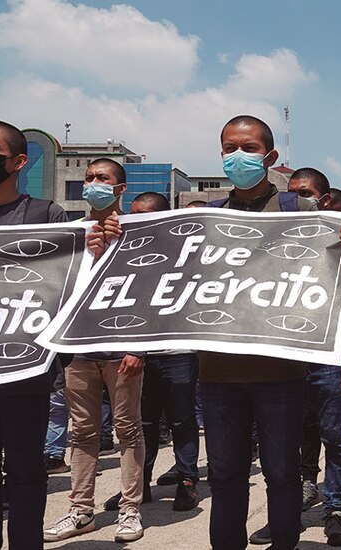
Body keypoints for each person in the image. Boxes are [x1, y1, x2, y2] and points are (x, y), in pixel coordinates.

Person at [93, 115, 319, 549]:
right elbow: (156, 270)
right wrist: (115, 240)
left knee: (283, 475)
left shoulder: (300, 211)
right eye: (230, 148)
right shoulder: (204, 219)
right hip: (218, 374)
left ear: (269, 156)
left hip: (282, 372)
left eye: (249, 148)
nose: (239, 156)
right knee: (226, 477)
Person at [0, 119, 68, 550]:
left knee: (27, 474)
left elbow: (66, 282)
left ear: (18, 161)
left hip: (24, 372)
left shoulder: (46, 216)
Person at [246, 167, 341, 546]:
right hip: (283, 355)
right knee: (282, 441)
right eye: (290, 192)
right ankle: (286, 514)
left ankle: (337, 509)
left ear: (323, 199)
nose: (295, 199)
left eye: (304, 192)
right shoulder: (273, 236)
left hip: (328, 356)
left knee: (336, 437)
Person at [44, 158, 148, 543]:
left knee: (128, 429)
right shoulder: (72, 232)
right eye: (88, 178)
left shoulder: (141, 232)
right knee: (83, 432)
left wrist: (139, 348)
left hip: (122, 349)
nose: (92, 184)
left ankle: (130, 509)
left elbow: (149, 291)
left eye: (102, 178)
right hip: (79, 349)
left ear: (121, 189)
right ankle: (80, 509)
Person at [100, 192, 201, 514]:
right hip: (133, 357)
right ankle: (138, 485)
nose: (132, 220)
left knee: (182, 421)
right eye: (130, 214)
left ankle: (187, 482)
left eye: (140, 215)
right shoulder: (124, 253)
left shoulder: (184, 254)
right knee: (141, 424)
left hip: (177, 353)